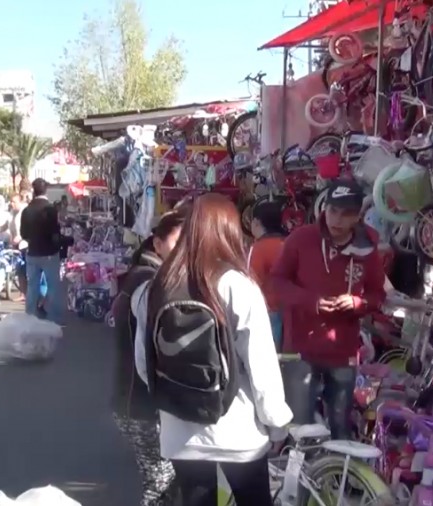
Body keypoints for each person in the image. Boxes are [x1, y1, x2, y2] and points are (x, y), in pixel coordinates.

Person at [132, 193, 292, 506]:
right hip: (238, 429)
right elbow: (261, 365)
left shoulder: (155, 286)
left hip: (181, 430)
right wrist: (277, 423)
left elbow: (143, 361)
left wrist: (170, 400)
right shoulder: (236, 285)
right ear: (229, 231)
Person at [270, 180, 386, 440]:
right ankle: (300, 478)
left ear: (357, 216)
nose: (337, 219)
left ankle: (337, 479)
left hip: (343, 351)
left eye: (346, 214)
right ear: (324, 209)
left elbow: (378, 295)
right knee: (299, 427)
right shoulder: (302, 238)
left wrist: (357, 303)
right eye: (333, 210)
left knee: (340, 427)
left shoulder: (367, 249)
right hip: (300, 349)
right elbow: (278, 281)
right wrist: (310, 301)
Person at [111, 207, 189, 506]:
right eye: (178, 242)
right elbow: (147, 353)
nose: (185, 251)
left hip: (135, 400)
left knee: (163, 481)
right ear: (157, 243)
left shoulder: (146, 276)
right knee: (161, 484)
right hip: (141, 402)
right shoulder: (149, 283)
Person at [20, 178, 63, 325]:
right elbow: (55, 232)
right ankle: (53, 318)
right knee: (52, 285)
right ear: (46, 190)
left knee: (32, 286)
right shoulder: (50, 209)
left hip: (32, 252)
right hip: (49, 253)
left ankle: (30, 316)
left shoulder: (27, 210)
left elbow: (23, 234)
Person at [247, 201, 287, 350]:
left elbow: (251, 282)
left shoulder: (258, 248)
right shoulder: (290, 243)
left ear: (257, 222)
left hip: (268, 311)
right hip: (291, 310)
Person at [8, 194, 28, 302]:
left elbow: (28, 228)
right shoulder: (12, 213)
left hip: (25, 244)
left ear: (20, 201)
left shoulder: (24, 212)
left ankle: (26, 293)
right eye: (11, 201)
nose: (12, 204)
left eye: (14, 201)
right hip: (16, 244)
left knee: (24, 268)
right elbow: (7, 225)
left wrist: (20, 237)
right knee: (20, 269)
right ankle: (23, 293)